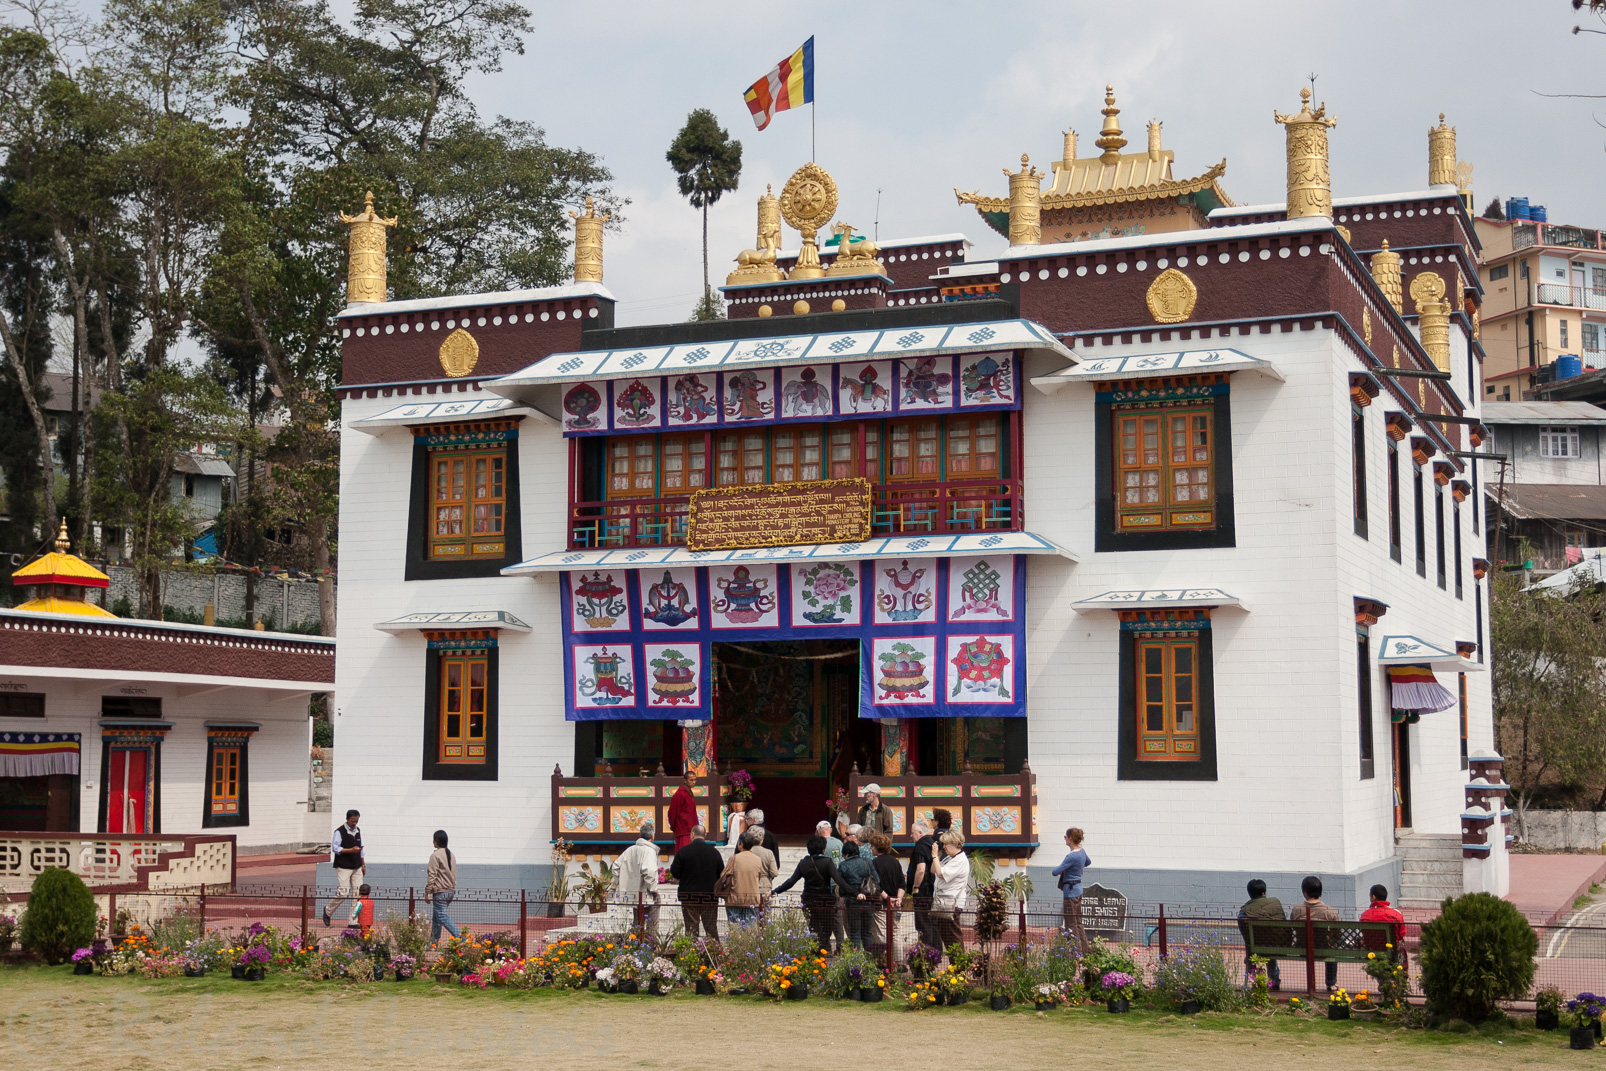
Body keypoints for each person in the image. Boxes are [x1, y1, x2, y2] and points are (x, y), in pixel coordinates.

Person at [774, 834, 851, 953]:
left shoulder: (803, 863)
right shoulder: (827, 862)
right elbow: (839, 880)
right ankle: (824, 952)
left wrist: (775, 891)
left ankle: (817, 953)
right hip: (825, 901)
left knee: (814, 928)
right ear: (823, 849)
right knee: (826, 929)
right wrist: (854, 892)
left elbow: (791, 882)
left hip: (809, 899)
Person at [668, 824, 724, 939]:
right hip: (710, 896)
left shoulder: (683, 851)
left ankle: (691, 954)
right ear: (705, 835)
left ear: (692, 835)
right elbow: (721, 874)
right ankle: (714, 954)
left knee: (691, 929)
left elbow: (675, 873)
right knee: (710, 927)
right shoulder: (714, 853)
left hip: (689, 896)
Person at [1237, 878, 1286, 991]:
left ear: (1250, 894)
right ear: (1264, 893)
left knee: (1257, 949)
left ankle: (1256, 979)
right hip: (1279, 945)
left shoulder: (1244, 911)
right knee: (1270, 948)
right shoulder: (1275, 903)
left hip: (1256, 947)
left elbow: (1244, 933)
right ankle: (1274, 980)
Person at [1294, 874, 1341, 992]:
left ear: (1305, 892)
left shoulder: (1297, 910)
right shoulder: (1329, 911)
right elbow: (1338, 933)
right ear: (1320, 892)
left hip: (1303, 948)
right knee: (1333, 949)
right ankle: (1331, 983)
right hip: (1325, 949)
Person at [1051, 827, 1091, 955]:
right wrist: (1075, 869)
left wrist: (1068, 869)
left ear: (1070, 839)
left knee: (1071, 923)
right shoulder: (1082, 852)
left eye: (1065, 837)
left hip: (1070, 892)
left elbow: (1055, 872)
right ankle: (1086, 949)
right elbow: (1088, 862)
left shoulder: (1071, 856)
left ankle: (1076, 951)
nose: (1065, 839)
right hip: (1078, 890)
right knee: (1079, 922)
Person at [929, 829, 969, 958]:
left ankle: (959, 968)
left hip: (952, 905)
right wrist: (938, 855)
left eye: (946, 844)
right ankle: (955, 966)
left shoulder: (960, 860)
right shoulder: (950, 859)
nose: (944, 847)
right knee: (947, 937)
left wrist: (935, 856)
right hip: (944, 903)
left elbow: (941, 874)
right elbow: (933, 870)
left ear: (954, 843)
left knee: (953, 937)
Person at [616, 821, 661, 932]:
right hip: (646, 892)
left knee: (638, 920)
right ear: (652, 836)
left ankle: (635, 942)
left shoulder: (629, 850)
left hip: (633, 892)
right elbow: (649, 872)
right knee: (652, 921)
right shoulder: (649, 851)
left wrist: (622, 884)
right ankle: (651, 942)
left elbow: (616, 867)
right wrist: (653, 889)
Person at [716, 830, 765, 925]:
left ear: (740, 844)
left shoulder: (734, 858)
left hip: (735, 898)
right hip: (752, 899)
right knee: (750, 930)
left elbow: (723, 875)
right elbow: (759, 877)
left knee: (735, 929)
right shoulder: (758, 859)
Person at [325, 808, 364, 926]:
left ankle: (353, 921)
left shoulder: (357, 830)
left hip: (357, 866)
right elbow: (335, 848)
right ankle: (328, 911)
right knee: (343, 893)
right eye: (353, 821)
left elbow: (361, 849)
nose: (355, 823)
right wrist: (350, 850)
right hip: (343, 866)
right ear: (347, 819)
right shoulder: (339, 831)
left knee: (357, 894)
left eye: (356, 821)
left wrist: (363, 863)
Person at [867, 832, 904, 956]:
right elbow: (901, 883)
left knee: (880, 932)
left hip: (882, 903)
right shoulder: (895, 861)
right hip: (896, 904)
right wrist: (898, 899)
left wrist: (887, 898)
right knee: (896, 932)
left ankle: (883, 960)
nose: (870, 848)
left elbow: (876, 885)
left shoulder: (874, 863)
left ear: (877, 846)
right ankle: (897, 962)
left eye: (872, 845)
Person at [837, 832, 875, 949]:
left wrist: (844, 895)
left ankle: (855, 961)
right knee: (867, 932)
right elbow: (876, 879)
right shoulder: (867, 862)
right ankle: (870, 959)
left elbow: (841, 886)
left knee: (855, 933)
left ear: (846, 854)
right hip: (868, 901)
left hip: (852, 902)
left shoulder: (843, 866)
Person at [425, 829, 461, 943]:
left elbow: (432, 875)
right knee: (437, 918)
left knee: (441, 916)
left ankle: (461, 937)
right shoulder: (451, 854)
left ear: (435, 842)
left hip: (440, 891)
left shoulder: (435, 855)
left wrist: (427, 892)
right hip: (450, 891)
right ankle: (434, 943)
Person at [906, 816, 936, 948]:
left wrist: (915, 887)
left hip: (923, 890)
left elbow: (921, 870)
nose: (910, 836)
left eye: (912, 833)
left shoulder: (920, 847)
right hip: (931, 888)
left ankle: (926, 950)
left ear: (920, 833)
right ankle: (934, 950)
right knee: (929, 921)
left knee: (923, 921)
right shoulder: (931, 843)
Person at [1359, 883, 1407, 948]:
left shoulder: (1365, 915)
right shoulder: (1396, 914)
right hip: (1392, 951)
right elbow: (1401, 934)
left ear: (1373, 897)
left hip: (1371, 951)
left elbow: (1364, 933)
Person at [745, 818, 779, 904]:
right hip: (765, 886)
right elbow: (774, 872)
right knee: (764, 914)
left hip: (749, 885)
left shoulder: (745, 852)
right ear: (762, 839)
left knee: (750, 914)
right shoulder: (768, 853)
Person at [668, 770, 699, 853]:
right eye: (691, 780)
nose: (694, 782)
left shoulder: (689, 792)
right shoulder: (680, 794)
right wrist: (674, 827)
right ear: (685, 781)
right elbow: (672, 813)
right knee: (684, 853)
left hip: (692, 830)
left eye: (695, 780)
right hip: (683, 830)